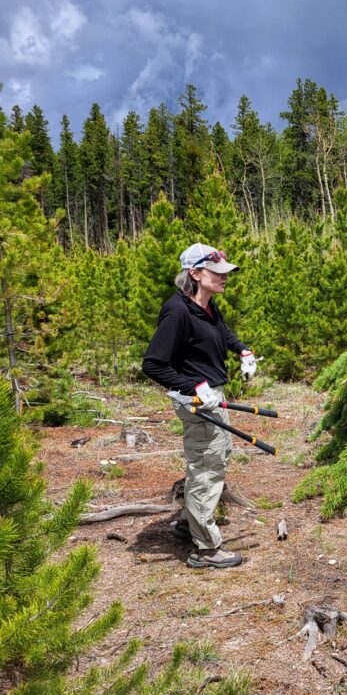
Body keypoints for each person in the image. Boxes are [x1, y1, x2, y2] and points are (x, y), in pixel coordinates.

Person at [142, 244, 258, 569]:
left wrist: (242, 350)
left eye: (225, 272)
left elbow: (220, 329)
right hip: (198, 400)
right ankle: (205, 548)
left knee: (207, 459)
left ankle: (187, 523)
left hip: (211, 395)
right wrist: (191, 387)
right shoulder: (177, 310)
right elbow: (152, 364)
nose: (224, 278)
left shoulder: (206, 305)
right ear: (194, 273)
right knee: (208, 465)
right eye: (216, 273)